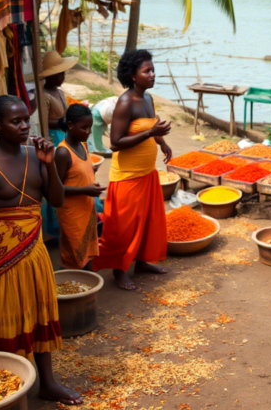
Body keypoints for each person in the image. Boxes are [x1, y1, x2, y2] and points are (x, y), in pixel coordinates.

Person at [0, 95, 81, 405]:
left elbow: (57, 200)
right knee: (1, 314)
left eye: (26, 119)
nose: (25, 126)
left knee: (38, 313)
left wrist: (49, 163)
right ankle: (3, 385)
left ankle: (47, 383)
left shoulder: (36, 156)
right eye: (16, 121)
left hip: (33, 250)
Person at [94, 49, 172, 290]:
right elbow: (115, 143)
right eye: (147, 71)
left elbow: (151, 126)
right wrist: (150, 133)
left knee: (147, 220)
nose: (152, 74)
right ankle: (119, 270)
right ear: (132, 75)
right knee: (123, 226)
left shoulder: (148, 99)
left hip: (147, 171)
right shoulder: (126, 102)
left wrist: (162, 142)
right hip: (127, 175)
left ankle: (142, 262)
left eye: (153, 70)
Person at [54, 104, 106, 270]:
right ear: (70, 125)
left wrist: (91, 181)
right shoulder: (63, 152)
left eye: (90, 127)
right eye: (84, 127)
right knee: (75, 255)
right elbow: (56, 188)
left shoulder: (83, 145)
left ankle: (87, 279)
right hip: (72, 212)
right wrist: (85, 189)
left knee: (87, 252)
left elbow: (79, 174)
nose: (88, 132)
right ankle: (73, 280)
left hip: (86, 208)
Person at [39, 50, 78, 236]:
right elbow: (44, 120)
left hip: (64, 134)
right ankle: (55, 224)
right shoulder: (44, 95)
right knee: (57, 175)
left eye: (63, 73)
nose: (62, 77)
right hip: (54, 137)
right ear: (49, 76)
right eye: (58, 74)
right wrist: (63, 123)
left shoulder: (60, 92)